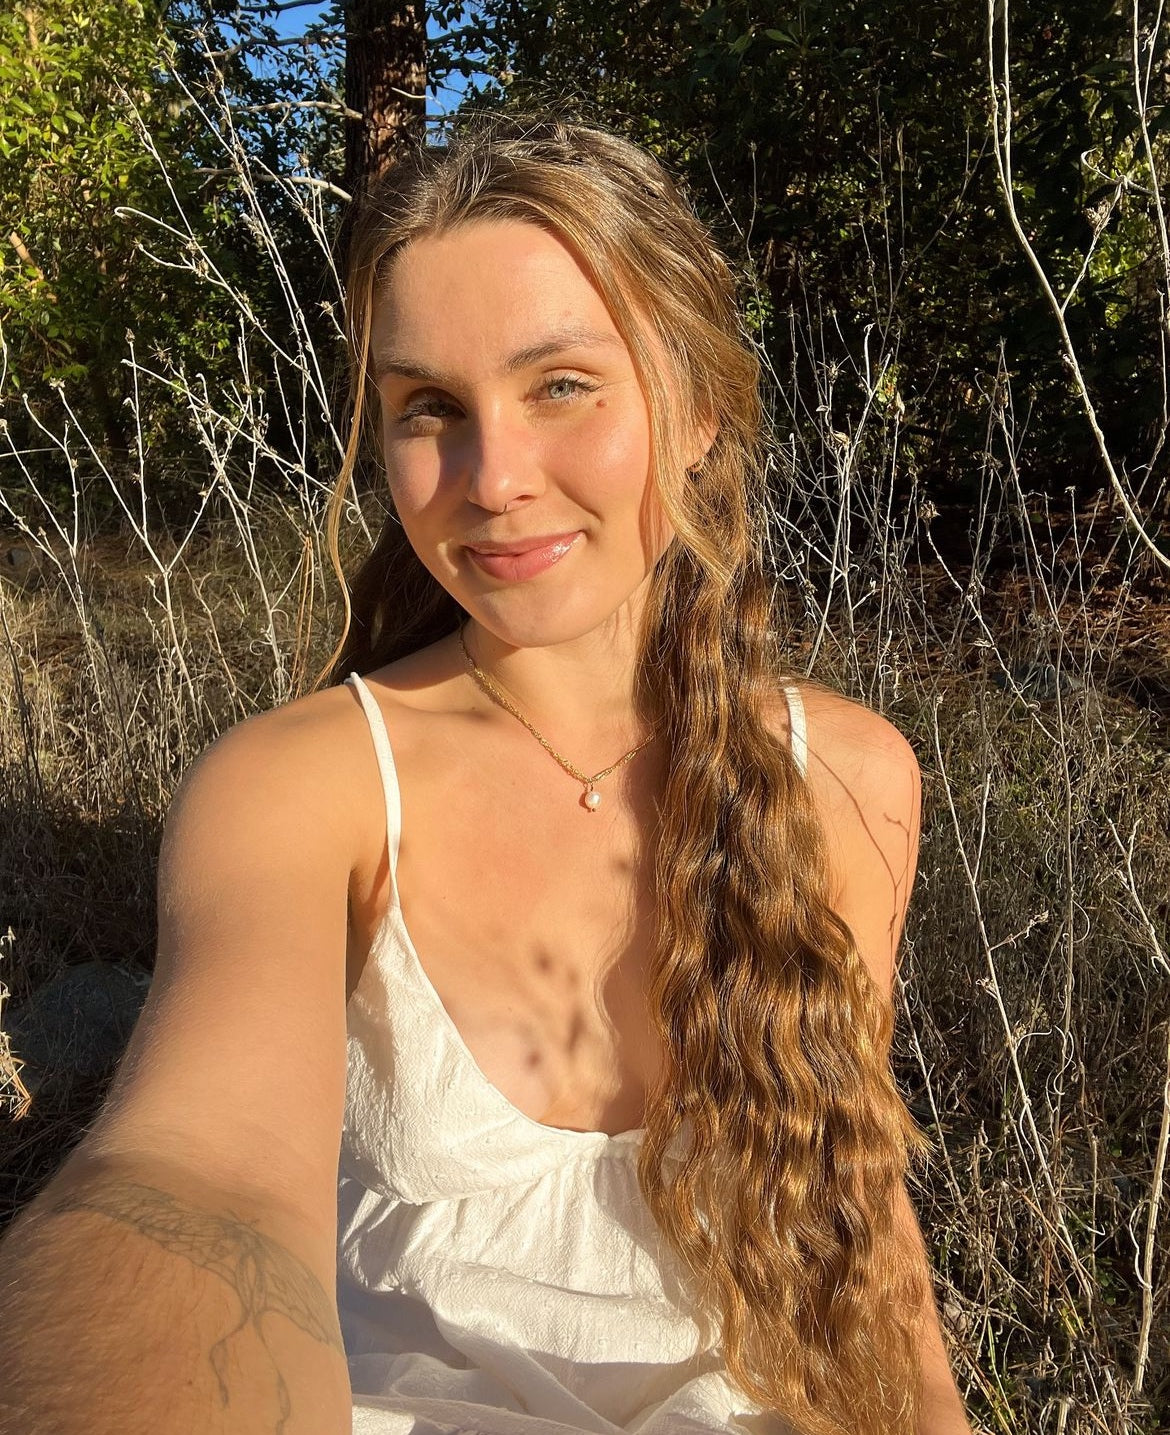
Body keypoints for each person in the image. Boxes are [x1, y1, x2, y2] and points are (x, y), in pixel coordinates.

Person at [0, 114, 973, 1435]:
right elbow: (193, 1174)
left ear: (694, 409)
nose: (493, 479)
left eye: (562, 384)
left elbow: (852, 1202)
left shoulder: (847, 778)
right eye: (428, 410)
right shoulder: (306, 785)